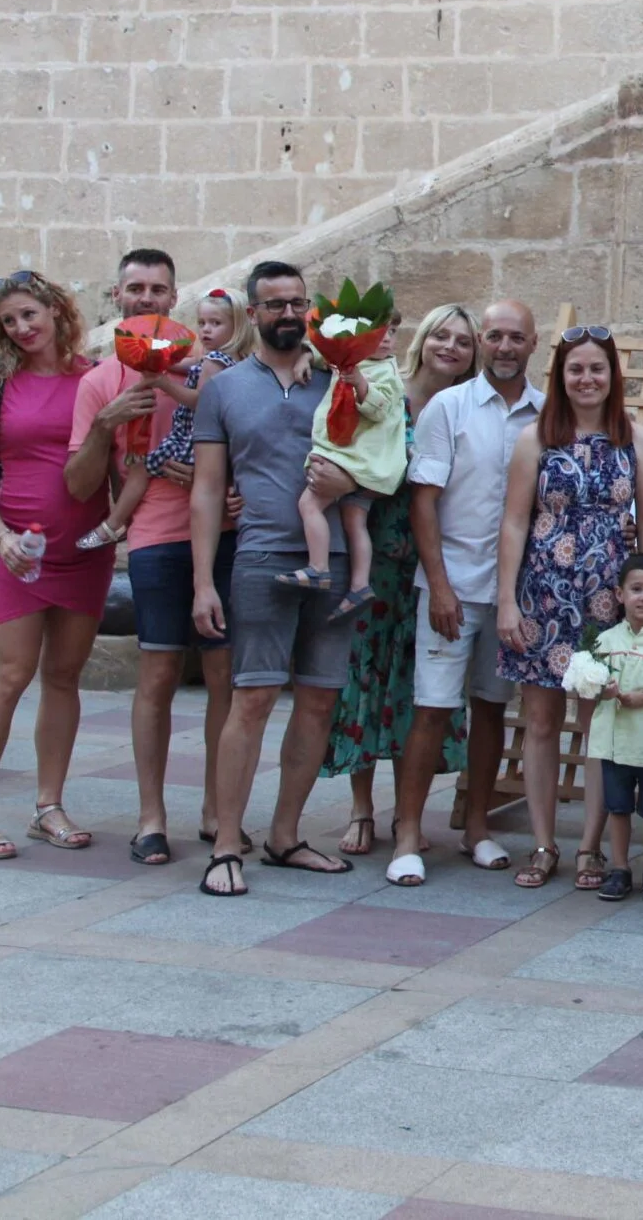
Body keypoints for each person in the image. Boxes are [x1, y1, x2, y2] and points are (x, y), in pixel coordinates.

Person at [189, 261, 358, 896]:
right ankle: (227, 842)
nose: (287, 314)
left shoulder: (339, 379)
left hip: (336, 559)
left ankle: (285, 836)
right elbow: (207, 491)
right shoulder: (224, 388)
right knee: (252, 698)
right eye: (274, 305)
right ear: (252, 314)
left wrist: (352, 483)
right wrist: (204, 581)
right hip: (261, 556)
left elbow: (379, 461)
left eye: (297, 304)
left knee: (317, 700)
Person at [64, 253, 238, 866]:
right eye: (135, 288)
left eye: (158, 289)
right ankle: (151, 816)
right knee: (159, 675)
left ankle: (219, 808)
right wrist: (102, 427)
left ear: (173, 299)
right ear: (118, 296)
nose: (146, 298)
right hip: (156, 537)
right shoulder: (98, 381)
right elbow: (80, 484)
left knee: (224, 677)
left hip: (222, 535)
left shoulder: (207, 368)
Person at [0, 270, 114, 860]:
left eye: (28, 315)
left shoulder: (95, 376)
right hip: (15, 552)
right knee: (9, 677)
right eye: (9, 321)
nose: (21, 328)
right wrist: (1, 536)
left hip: (84, 553)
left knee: (64, 678)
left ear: (55, 310)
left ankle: (49, 806)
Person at [502, 323, 643, 890]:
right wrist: (506, 603)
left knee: (601, 725)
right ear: (561, 376)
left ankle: (591, 846)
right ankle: (544, 844)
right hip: (543, 595)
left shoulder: (638, 441)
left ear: (613, 375)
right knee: (541, 722)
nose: (587, 378)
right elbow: (516, 521)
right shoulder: (535, 439)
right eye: (576, 369)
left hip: (608, 601)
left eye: (597, 368)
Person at [379, 301, 534, 888]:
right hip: (452, 586)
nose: (503, 346)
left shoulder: (545, 414)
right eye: (493, 335)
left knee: (491, 707)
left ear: (532, 343)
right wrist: (439, 585)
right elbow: (423, 501)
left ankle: (476, 828)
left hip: (510, 593)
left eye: (515, 336)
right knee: (433, 709)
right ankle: (409, 833)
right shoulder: (450, 406)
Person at [323, 304, 479, 858]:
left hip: (438, 561)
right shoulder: (389, 391)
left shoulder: (469, 408)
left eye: (463, 340)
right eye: (441, 334)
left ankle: (405, 812)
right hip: (379, 559)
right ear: (423, 339)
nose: (450, 346)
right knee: (364, 678)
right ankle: (363, 807)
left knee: (417, 689)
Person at [78, 287, 245, 552]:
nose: (206, 330)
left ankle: (113, 525)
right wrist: (157, 359)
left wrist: (162, 383)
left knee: (141, 468)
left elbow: (199, 401)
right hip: (206, 440)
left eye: (216, 323)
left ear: (237, 327)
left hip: (189, 439)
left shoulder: (215, 361)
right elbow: (183, 363)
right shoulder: (223, 359)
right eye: (202, 323)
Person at [569, 553, 643, 904]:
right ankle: (620, 868)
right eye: (636, 589)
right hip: (614, 745)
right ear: (620, 594)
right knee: (618, 808)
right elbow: (585, 680)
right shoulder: (605, 641)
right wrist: (595, 687)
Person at [280, 311, 406, 621]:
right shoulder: (350, 360)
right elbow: (326, 357)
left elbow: (380, 407)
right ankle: (360, 585)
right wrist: (306, 357)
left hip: (356, 459)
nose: (386, 338)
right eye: (377, 333)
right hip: (361, 462)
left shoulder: (386, 370)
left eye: (391, 332)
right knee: (355, 520)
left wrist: (361, 382)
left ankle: (318, 567)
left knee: (309, 503)